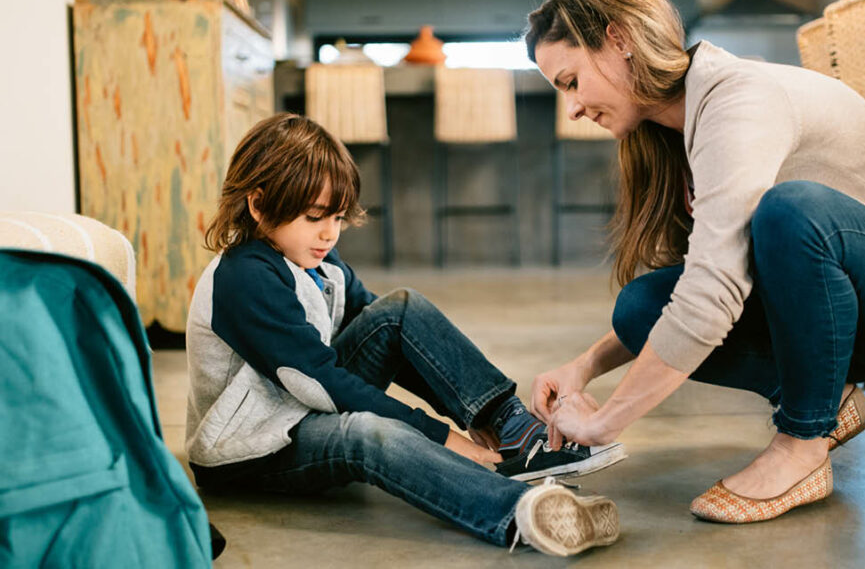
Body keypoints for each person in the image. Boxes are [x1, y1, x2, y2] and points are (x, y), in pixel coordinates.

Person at [525, 0, 865, 523]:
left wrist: (604, 423)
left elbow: (714, 292)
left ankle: (803, 444)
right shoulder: (672, 130)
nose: (572, 108)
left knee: (790, 210)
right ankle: (829, 401)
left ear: (619, 40)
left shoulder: (738, 100)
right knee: (641, 306)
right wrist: (584, 366)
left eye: (572, 81)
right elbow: (701, 282)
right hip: (843, 315)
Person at [184, 113, 625, 555]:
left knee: (400, 309)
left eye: (337, 217)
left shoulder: (316, 261)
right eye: (315, 216)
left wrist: (470, 414)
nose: (329, 233)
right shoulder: (244, 277)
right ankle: (520, 511)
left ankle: (513, 431)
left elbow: (388, 328)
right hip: (251, 449)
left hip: (295, 407)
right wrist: (440, 436)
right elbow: (319, 382)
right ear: (258, 205)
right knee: (366, 432)